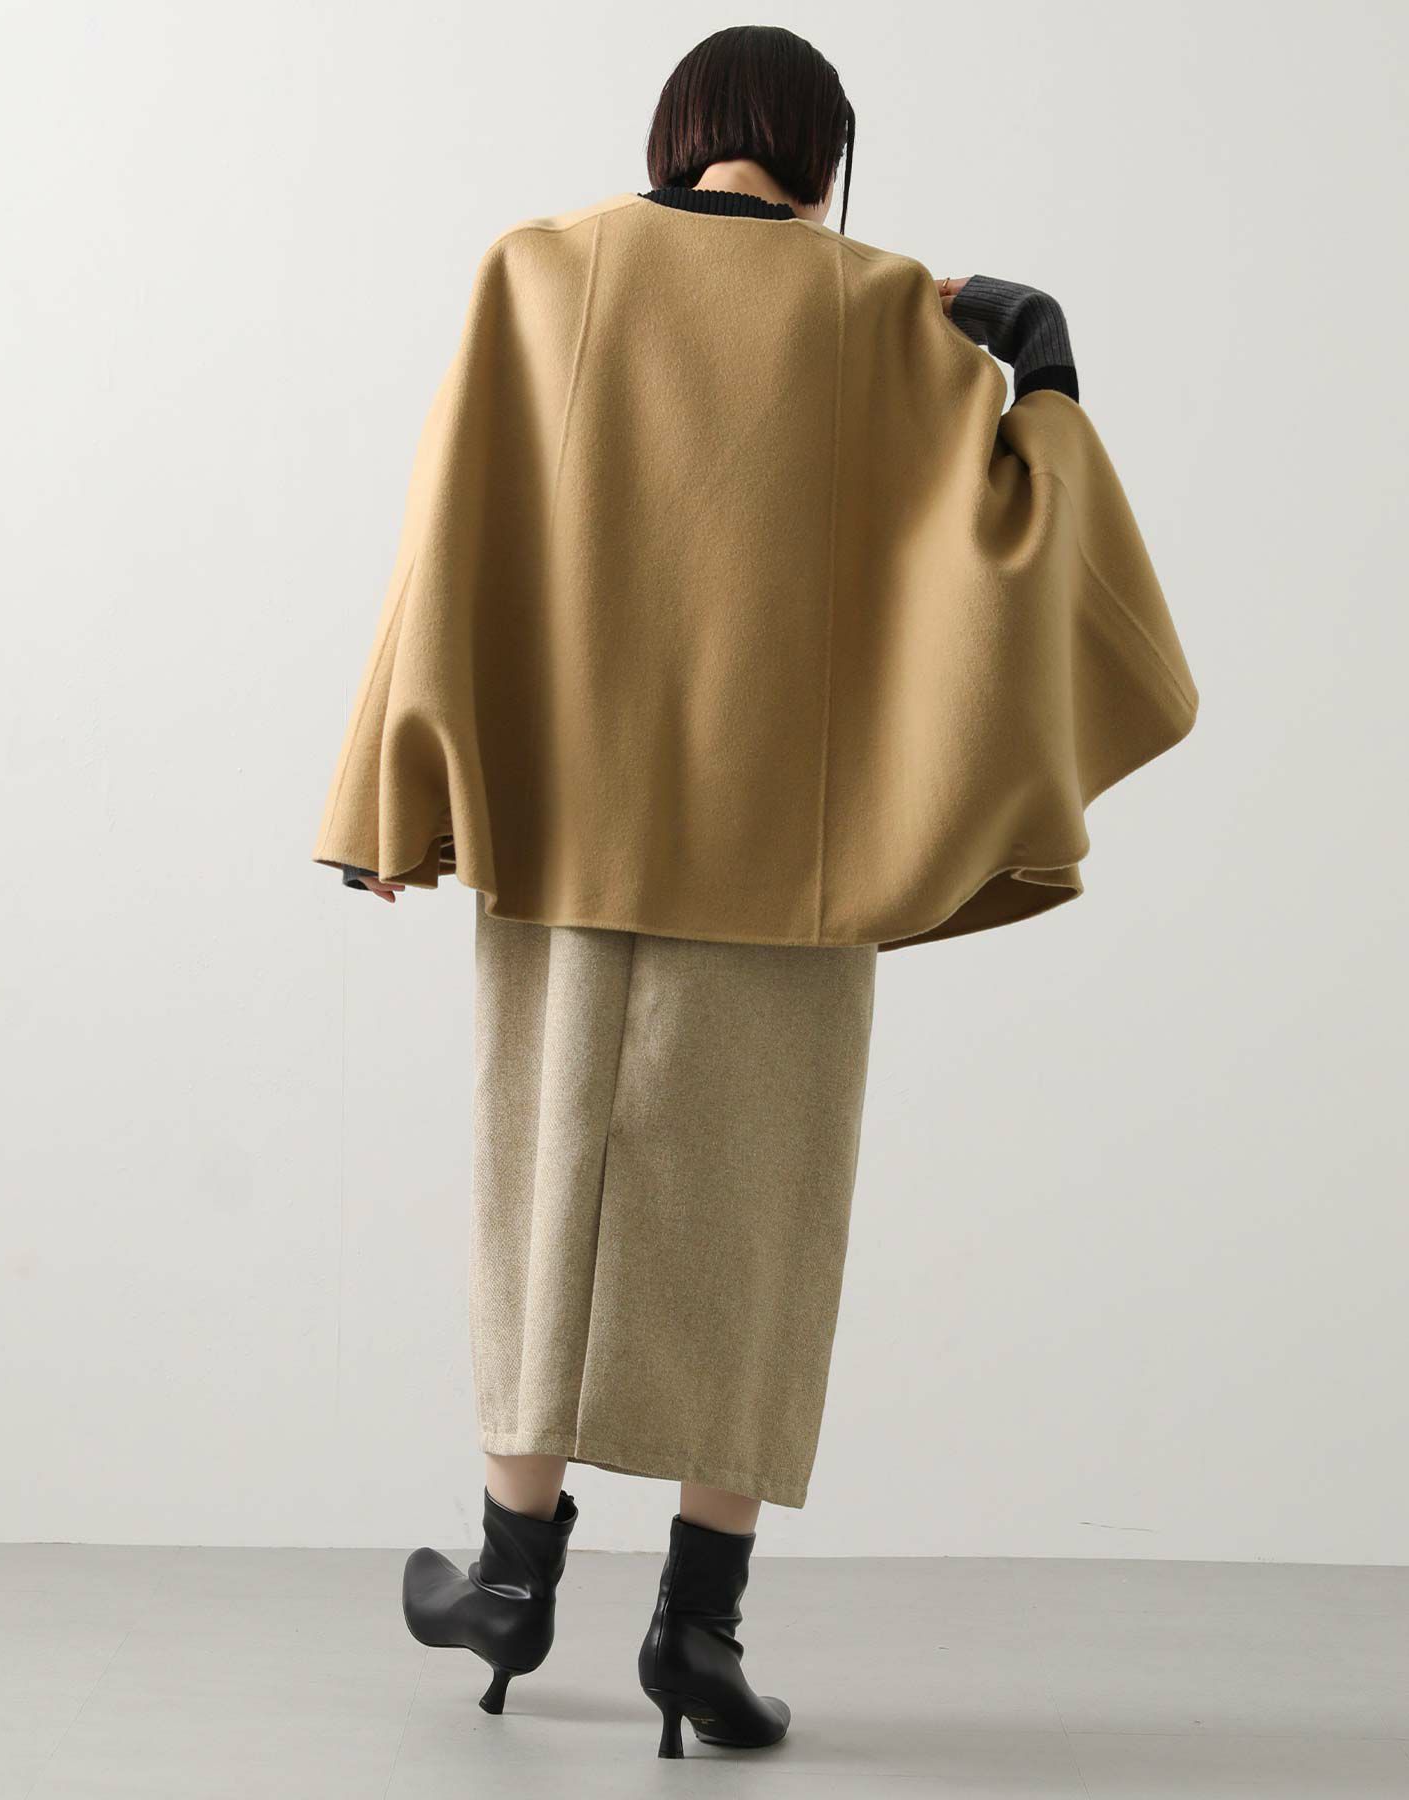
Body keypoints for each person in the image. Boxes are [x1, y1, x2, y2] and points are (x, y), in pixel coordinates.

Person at [311, 24, 1197, 1762]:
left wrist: (385, 802)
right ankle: (698, 1635)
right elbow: (1015, 556)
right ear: (824, 157)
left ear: (677, 133)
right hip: (795, 864)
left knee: (543, 1194)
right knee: (759, 1234)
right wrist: (1045, 368)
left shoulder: (541, 270)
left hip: (570, 842)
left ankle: (508, 1583)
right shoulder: (892, 318)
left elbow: (448, 536)